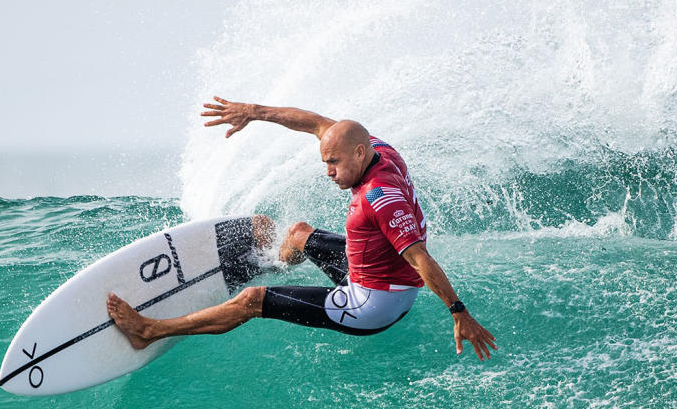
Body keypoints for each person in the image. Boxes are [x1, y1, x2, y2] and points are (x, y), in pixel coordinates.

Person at [106, 97, 497, 360]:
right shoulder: (380, 150)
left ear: (359, 154)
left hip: (373, 303)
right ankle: (273, 263)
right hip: (370, 270)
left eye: (334, 162)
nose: (328, 171)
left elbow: (420, 259)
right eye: (325, 160)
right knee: (297, 234)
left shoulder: (380, 197)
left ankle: (149, 330)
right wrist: (254, 111)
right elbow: (316, 124)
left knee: (252, 301)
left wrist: (459, 312)